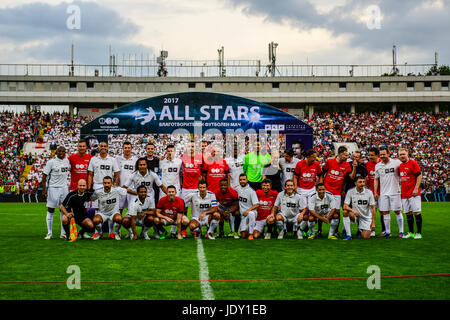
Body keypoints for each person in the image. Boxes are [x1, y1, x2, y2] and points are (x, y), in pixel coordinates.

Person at [322, 146, 355, 238]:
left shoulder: (347, 165)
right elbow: (323, 171)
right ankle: (319, 230)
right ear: (340, 154)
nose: (346, 157)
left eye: (347, 155)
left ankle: (334, 232)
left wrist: (355, 167)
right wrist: (321, 184)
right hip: (327, 190)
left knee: (336, 212)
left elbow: (351, 177)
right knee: (321, 209)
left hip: (337, 191)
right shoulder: (330, 162)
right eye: (345, 155)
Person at [374, 146, 404, 238]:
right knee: (385, 212)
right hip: (383, 192)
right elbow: (376, 179)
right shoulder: (378, 165)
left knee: (397, 211)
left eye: (384, 154)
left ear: (388, 154)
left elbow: (403, 173)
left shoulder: (396, 163)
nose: (382, 156)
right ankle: (387, 232)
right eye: (381, 154)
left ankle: (401, 232)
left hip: (395, 191)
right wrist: (375, 192)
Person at [41, 146, 71, 240]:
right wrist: (44, 189)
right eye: (59, 151)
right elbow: (44, 176)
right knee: (51, 209)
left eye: (63, 151)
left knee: (63, 210)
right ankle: (49, 233)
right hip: (53, 188)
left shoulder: (67, 161)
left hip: (64, 188)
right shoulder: (51, 162)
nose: (61, 153)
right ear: (56, 152)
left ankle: (63, 233)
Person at [293, 149, 323, 234]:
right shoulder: (300, 164)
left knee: (312, 210)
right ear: (308, 157)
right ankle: (301, 229)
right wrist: (295, 187)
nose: (315, 159)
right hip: (301, 189)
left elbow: (320, 175)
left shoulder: (316, 165)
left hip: (312, 189)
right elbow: (295, 176)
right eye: (313, 157)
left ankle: (309, 229)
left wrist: (319, 185)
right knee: (303, 210)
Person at [90, 176, 127, 240]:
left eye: (108, 183)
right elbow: (92, 198)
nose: (106, 185)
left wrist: (137, 193)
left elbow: (126, 191)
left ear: (111, 183)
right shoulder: (98, 192)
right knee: (95, 220)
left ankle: (116, 233)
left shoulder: (117, 190)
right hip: (102, 213)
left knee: (119, 218)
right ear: (103, 183)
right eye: (105, 183)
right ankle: (100, 233)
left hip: (114, 213)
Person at [399, 148, 423, 239]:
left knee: (416, 213)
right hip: (404, 194)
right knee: (408, 213)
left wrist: (416, 188)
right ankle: (411, 233)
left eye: (403, 154)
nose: (402, 156)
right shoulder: (400, 165)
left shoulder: (413, 163)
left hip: (413, 193)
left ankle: (419, 233)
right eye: (400, 154)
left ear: (407, 153)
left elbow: (419, 176)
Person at [342, 151, 367, 236]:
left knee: (359, 210)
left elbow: (365, 180)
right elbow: (350, 177)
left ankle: (359, 229)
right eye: (354, 156)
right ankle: (345, 228)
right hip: (349, 191)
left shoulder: (363, 167)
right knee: (346, 210)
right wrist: (354, 167)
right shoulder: (347, 165)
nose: (355, 158)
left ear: (360, 158)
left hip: (359, 193)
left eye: (357, 157)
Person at [235, 173, 260, 240]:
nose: (242, 181)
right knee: (243, 235)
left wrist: (248, 210)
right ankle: (250, 228)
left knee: (251, 213)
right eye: (240, 180)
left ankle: (251, 234)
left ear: (247, 180)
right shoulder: (237, 189)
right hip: (243, 215)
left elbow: (257, 204)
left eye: (244, 179)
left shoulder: (251, 191)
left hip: (251, 213)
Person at [365, 147, 383, 236]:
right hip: (371, 192)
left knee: (383, 212)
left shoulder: (382, 163)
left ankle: (384, 231)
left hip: (383, 191)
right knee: (371, 212)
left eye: (372, 155)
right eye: (369, 155)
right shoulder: (367, 164)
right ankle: (372, 230)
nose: (370, 157)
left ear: (377, 155)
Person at [115, 141, 138, 213]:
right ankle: (117, 224)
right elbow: (115, 174)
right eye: (125, 148)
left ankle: (130, 223)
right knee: (119, 208)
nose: (127, 149)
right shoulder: (117, 159)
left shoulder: (135, 160)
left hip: (131, 188)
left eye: (129, 148)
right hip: (121, 187)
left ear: (131, 149)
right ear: (123, 149)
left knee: (131, 209)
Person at [180, 141, 203, 210]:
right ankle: (184, 220)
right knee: (184, 207)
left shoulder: (200, 157)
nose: (191, 148)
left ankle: (195, 220)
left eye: (193, 146)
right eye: (189, 146)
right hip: (186, 187)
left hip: (196, 187)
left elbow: (203, 169)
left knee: (197, 208)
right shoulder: (183, 156)